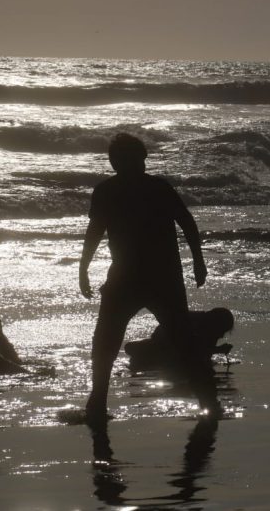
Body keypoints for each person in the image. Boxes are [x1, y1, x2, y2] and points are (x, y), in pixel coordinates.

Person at [79, 133, 220, 420]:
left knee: (111, 341)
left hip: (144, 278)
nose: (139, 164)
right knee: (114, 340)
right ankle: (208, 403)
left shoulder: (122, 189)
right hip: (149, 277)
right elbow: (187, 223)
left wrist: (199, 261)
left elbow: (186, 222)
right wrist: (197, 261)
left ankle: (98, 402)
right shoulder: (145, 188)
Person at [124, 307, 234, 372]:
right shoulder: (196, 322)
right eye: (222, 331)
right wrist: (217, 350)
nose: (221, 336)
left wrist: (214, 350)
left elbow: (202, 353)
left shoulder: (210, 329)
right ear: (217, 324)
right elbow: (191, 349)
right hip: (164, 343)